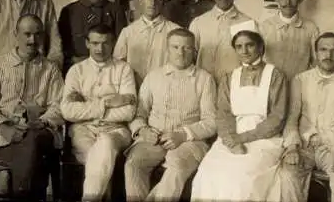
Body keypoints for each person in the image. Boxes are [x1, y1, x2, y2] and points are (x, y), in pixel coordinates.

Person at [191, 20, 288, 202]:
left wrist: (243, 139)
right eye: (239, 46)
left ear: (260, 47)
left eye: (250, 45)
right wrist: (231, 140)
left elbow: (277, 117)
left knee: (242, 180)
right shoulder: (230, 77)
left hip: (265, 139)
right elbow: (223, 113)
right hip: (231, 136)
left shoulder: (275, 75)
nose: (244, 51)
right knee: (207, 174)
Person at [0, 14, 64, 199]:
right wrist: (4, 128)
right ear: (15, 34)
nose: (32, 40)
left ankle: (20, 194)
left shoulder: (50, 69)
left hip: (40, 132)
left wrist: (42, 122)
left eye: (38, 34)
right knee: (33, 154)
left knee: (33, 140)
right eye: (27, 34)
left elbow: (59, 105)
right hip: (4, 138)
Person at [124, 28, 217, 202]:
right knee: (133, 165)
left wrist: (183, 134)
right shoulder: (153, 76)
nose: (180, 53)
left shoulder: (204, 79)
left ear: (194, 50)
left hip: (190, 141)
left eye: (186, 48)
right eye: (175, 47)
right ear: (167, 49)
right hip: (153, 137)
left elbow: (211, 122)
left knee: (176, 168)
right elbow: (138, 113)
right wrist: (143, 130)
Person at [280, 32, 334, 202]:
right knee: (287, 175)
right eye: (323, 49)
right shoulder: (300, 79)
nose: (328, 55)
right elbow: (292, 118)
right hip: (304, 146)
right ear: (316, 52)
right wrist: (292, 147)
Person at [60, 24, 137, 202]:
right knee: (101, 162)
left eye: (105, 43)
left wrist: (86, 104)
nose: (99, 48)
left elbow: (128, 112)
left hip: (116, 131)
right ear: (87, 43)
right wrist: (107, 103)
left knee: (105, 144)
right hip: (83, 131)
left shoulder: (123, 69)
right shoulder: (76, 71)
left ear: (113, 43)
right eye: (94, 43)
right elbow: (68, 111)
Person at [58, 0, 127, 76]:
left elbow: (121, 45)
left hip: (107, 72)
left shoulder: (115, 10)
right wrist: (74, 60)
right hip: (76, 71)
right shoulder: (69, 11)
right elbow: (61, 44)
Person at [189, 0, 252, 83]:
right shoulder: (199, 22)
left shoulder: (248, 23)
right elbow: (190, 58)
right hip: (203, 85)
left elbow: (251, 61)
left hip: (234, 85)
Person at [113, 0, 181, 87]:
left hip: (164, 87)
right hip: (132, 86)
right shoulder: (128, 32)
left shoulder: (175, 31)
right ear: (140, 0)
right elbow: (118, 63)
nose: (153, 2)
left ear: (163, 2)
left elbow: (179, 64)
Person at [260, 0, 319, 79]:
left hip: (300, 86)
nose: (288, 2)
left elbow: (316, 62)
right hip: (271, 86)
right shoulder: (264, 27)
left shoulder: (311, 28)